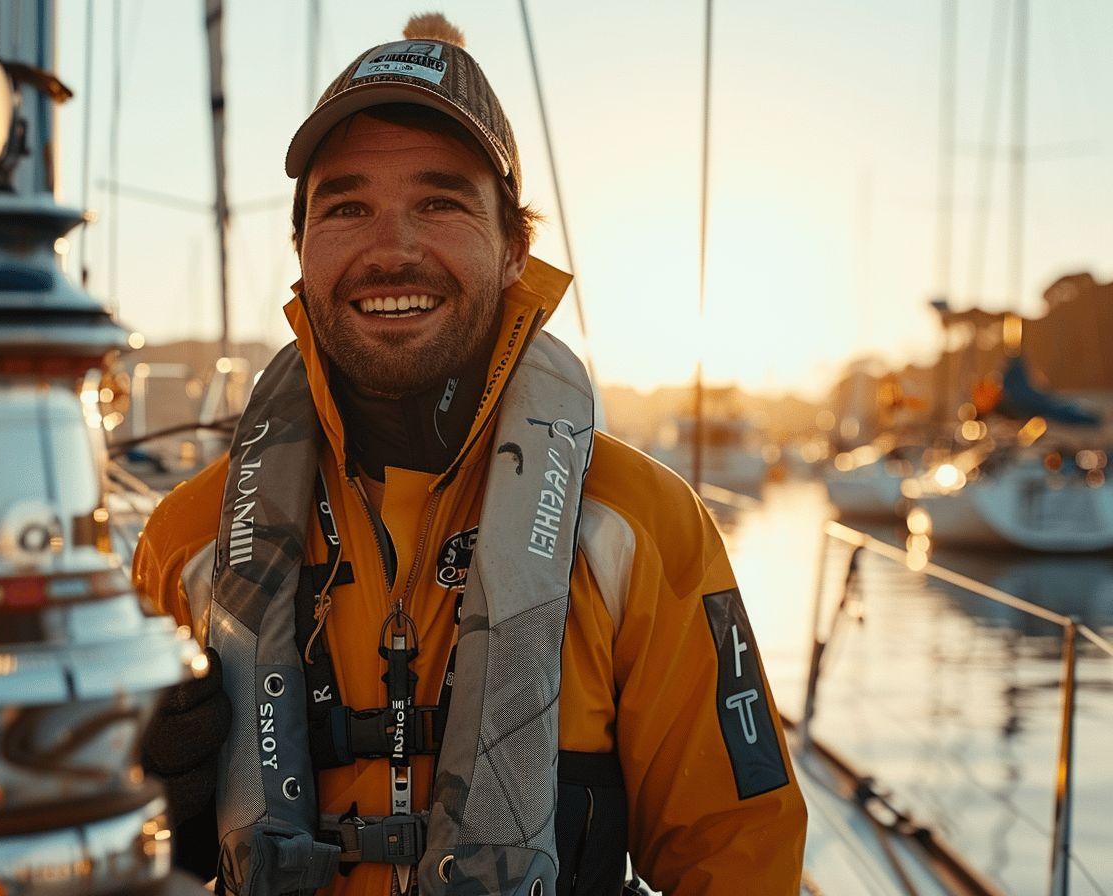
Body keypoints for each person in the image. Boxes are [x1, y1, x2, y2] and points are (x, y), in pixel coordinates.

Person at [133, 14, 806, 895]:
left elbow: (739, 856)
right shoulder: (187, 543)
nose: (393, 248)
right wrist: (157, 830)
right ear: (300, 251)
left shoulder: (641, 528)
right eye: (347, 206)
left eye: (440, 203)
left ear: (514, 247)